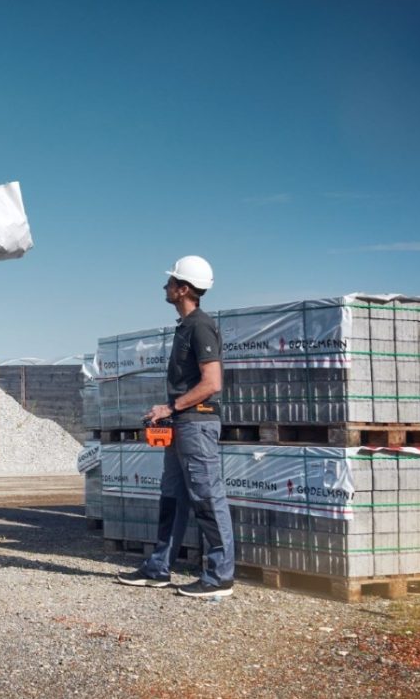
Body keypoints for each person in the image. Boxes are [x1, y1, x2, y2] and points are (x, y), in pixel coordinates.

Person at [116, 255, 235, 598]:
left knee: (207, 498)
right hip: (182, 424)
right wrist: (168, 413)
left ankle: (219, 577)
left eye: (170, 282)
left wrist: (170, 406)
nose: (165, 286)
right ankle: (158, 568)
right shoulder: (185, 326)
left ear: (184, 289)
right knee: (173, 497)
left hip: (197, 426)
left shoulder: (200, 325)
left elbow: (212, 382)